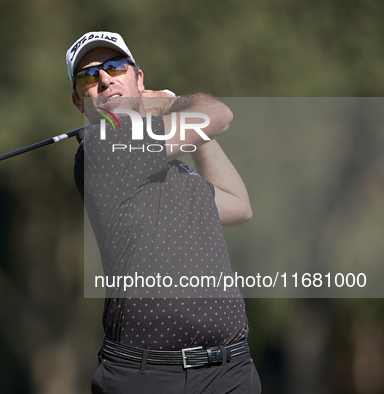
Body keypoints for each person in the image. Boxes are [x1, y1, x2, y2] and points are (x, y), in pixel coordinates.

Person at [66, 31, 261, 393]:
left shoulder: (172, 170)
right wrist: (171, 103)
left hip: (229, 372)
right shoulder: (101, 148)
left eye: (115, 67)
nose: (105, 79)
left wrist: (189, 126)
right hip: (146, 377)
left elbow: (238, 204)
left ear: (138, 78)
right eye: (89, 77)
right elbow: (219, 113)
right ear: (79, 101)